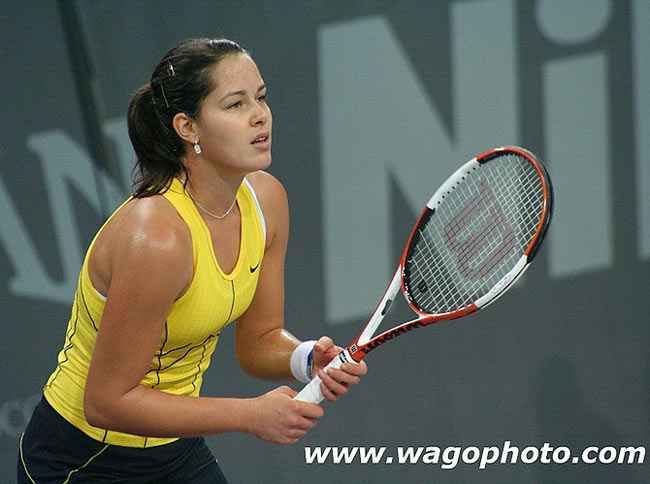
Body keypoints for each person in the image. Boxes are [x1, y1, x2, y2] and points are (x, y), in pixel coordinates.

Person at [18, 38, 367, 483]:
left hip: (173, 449)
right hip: (83, 458)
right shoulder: (156, 238)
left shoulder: (267, 201)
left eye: (260, 97)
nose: (260, 115)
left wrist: (304, 359)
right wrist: (250, 415)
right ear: (188, 127)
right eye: (235, 104)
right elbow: (106, 401)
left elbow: (257, 340)